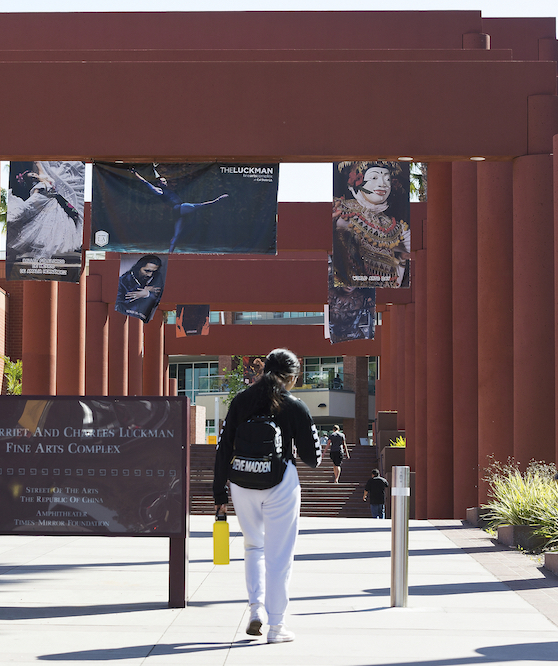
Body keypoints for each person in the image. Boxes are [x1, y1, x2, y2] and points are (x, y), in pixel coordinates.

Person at [213, 348, 321, 643]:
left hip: (241, 482)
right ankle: (276, 626)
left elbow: (223, 447)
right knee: (279, 556)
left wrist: (218, 491)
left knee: (253, 547)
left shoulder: (242, 400)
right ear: (292, 377)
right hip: (280, 483)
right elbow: (314, 457)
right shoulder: (294, 405)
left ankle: (255, 611)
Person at [332, 161, 411, 288]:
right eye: (374, 178)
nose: (382, 184)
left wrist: (402, 259)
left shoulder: (395, 228)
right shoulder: (339, 210)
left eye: (387, 179)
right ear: (358, 182)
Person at [132, 166, 228, 253]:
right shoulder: (158, 191)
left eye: (166, 181)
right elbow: (145, 182)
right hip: (179, 207)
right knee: (198, 206)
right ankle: (216, 201)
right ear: (159, 184)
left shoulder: (165, 189)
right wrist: (136, 174)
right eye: (163, 181)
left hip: (178, 212)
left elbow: (158, 177)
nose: (165, 182)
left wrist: (154, 170)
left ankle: (170, 253)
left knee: (176, 236)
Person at [7, 161, 85, 260]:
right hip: (50, 204)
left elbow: (48, 181)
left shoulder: (43, 178)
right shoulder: (38, 187)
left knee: (56, 227)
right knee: (47, 228)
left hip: (56, 203)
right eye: (31, 176)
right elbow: (34, 199)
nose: (33, 175)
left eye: (32, 173)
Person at [115, 254, 165, 323]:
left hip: (145, 321)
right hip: (125, 320)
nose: (149, 275)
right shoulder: (123, 281)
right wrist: (145, 294)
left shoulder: (156, 278)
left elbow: (160, 299)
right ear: (138, 267)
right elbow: (119, 304)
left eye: (153, 272)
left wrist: (147, 294)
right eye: (147, 271)